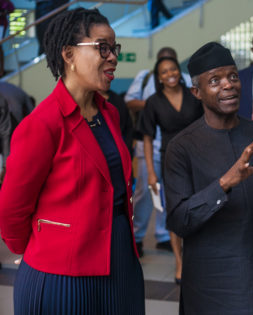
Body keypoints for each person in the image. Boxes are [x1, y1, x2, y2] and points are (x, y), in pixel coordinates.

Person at [0, 8, 145, 314]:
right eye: (102, 47)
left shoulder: (110, 114)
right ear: (68, 54)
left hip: (119, 261)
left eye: (114, 48)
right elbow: (11, 211)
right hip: (62, 274)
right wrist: (47, 247)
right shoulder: (42, 124)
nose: (113, 57)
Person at [165, 42, 253, 314]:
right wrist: (224, 184)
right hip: (211, 285)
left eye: (233, 77)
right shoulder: (182, 148)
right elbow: (179, 220)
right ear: (197, 92)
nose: (228, 85)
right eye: (215, 80)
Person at [139, 56, 203, 283]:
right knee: (175, 212)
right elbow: (147, 138)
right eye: (164, 71)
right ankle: (180, 261)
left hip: (197, 160)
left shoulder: (193, 96)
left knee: (198, 210)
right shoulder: (154, 102)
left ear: (179, 71)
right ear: (159, 77)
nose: (170, 74)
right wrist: (151, 172)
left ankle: (199, 257)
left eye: (173, 69)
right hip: (170, 162)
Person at [124, 47, 180, 257]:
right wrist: (157, 105)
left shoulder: (183, 79)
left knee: (169, 192)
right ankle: (136, 236)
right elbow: (129, 101)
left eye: (171, 62)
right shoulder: (145, 77)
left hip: (173, 148)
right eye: (162, 64)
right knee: (146, 192)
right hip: (149, 143)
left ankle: (163, 235)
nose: (168, 69)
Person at [100, 89, 133, 154]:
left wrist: (126, 151)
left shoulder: (118, 101)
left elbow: (128, 129)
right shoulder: (84, 102)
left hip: (118, 151)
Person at [0, 0, 13, 77]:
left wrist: (2, 13)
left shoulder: (4, 1)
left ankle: (1, 71)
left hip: (0, 24)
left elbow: (11, 8)